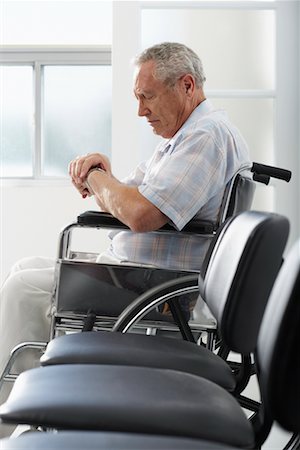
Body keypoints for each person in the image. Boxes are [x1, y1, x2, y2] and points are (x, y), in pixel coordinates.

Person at [0, 42, 250, 431]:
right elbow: (121, 199)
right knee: (23, 268)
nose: (140, 111)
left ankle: (15, 418)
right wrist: (100, 176)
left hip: (157, 289)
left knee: (21, 288)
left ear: (186, 85)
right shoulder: (180, 140)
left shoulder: (206, 137)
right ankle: (33, 403)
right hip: (141, 275)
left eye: (147, 97)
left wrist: (97, 177)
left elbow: (138, 213)